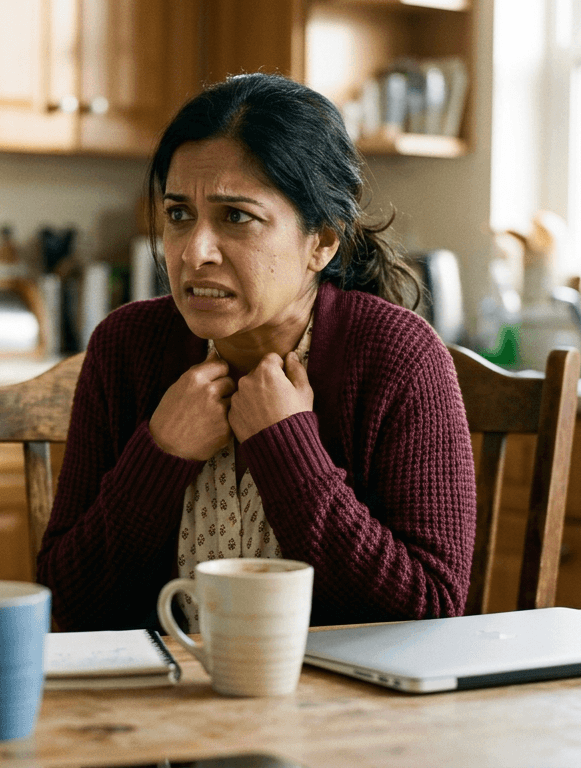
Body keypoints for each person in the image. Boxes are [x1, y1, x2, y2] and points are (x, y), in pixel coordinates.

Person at [36, 74, 476, 632]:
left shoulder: (400, 357)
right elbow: (64, 605)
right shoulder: (125, 347)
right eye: (177, 215)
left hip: (345, 714)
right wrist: (161, 454)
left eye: (236, 216)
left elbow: (429, 611)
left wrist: (287, 449)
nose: (194, 252)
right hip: (156, 709)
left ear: (322, 240)